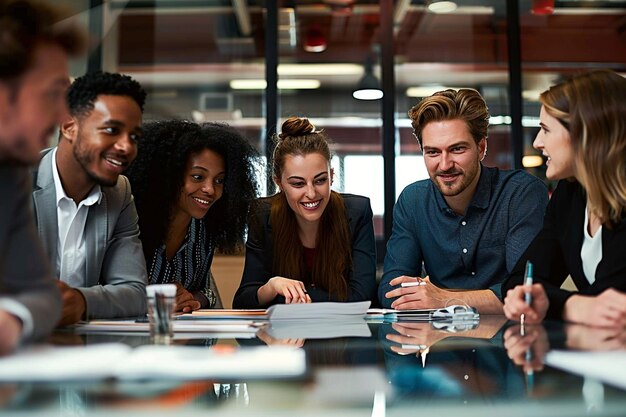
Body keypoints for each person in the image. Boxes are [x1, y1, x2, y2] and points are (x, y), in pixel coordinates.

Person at [380, 88, 548, 313]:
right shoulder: (413, 201)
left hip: (510, 340)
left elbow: (526, 290)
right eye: (432, 152)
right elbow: (390, 292)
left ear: (481, 148)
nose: (445, 164)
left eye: (457, 149)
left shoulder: (520, 194)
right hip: (439, 342)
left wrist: (442, 299)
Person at [502, 70, 626, 328]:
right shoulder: (569, 196)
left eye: (546, 130)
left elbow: (610, 305)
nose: (537, 142)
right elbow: (520, 281)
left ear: (586, 135)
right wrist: (573, 305)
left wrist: (556, 302)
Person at [31, 71, 148, 326]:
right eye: (111, 130)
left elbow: (135, 292)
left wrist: (81, 302)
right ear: (69, 126)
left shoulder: (119, 192)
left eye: (134, 137)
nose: (126, 147)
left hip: (73, 350)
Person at [0, 0, 83, 353]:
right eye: (52, 93)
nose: (64, 114)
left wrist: (12, 318)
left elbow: (41, 293)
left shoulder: (11, 175)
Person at [233, 117, 377, 308]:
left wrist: (283, 299)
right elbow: (243, 303)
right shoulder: (262, 214)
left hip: (343, 334)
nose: (311, 193)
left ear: (332, 176)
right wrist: (272, 286)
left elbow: (362, 298)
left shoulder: (357, 211)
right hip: (284, 336)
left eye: (320, 180)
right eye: (297, 183)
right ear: (279, 183)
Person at [125, 120, 258, 312]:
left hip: (180, 336)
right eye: (198, 177)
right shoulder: (131, 224)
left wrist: (191, 300)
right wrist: (160, 302)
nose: (210, 189)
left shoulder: (204, 228)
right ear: (169, 175)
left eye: (219, 180)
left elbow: (207, 292)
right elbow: (109, 291)